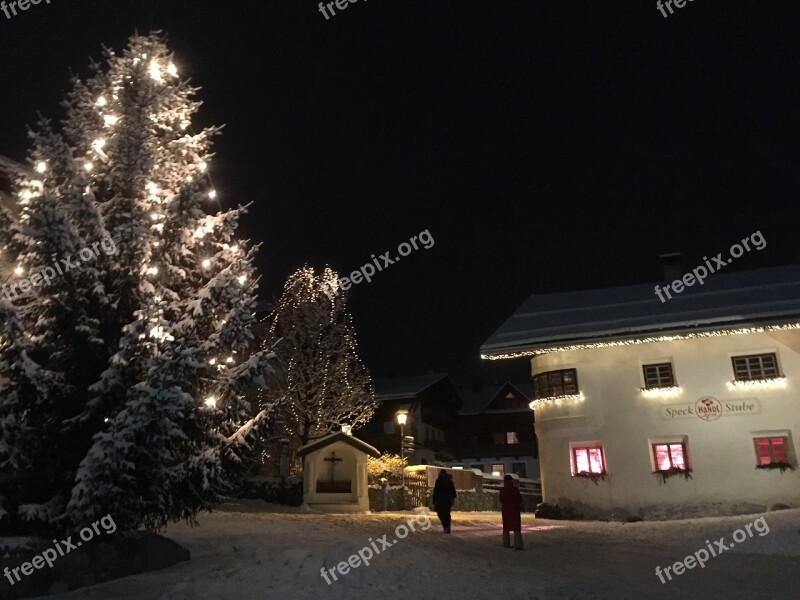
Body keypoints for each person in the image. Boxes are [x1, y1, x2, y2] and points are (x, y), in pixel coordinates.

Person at [499, 474, 524, 549]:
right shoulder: (515, 490)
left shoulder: (502, 490)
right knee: (516, 528)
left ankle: (506, 544)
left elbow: (501, 500)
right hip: (514, 510)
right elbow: (519, 499)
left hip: (506, 510)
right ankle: (518, 545)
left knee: (506, 528)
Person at [432, 469, 457, 533]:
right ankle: (447, 526)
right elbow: (453, 491)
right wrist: (453, 499)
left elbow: (436, 491)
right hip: (448, 500)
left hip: (440, 500)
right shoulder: (450, 481)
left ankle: (445, 525)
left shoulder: (439, 480)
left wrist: (434, 500)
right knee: (447, 513)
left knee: (440, 513)